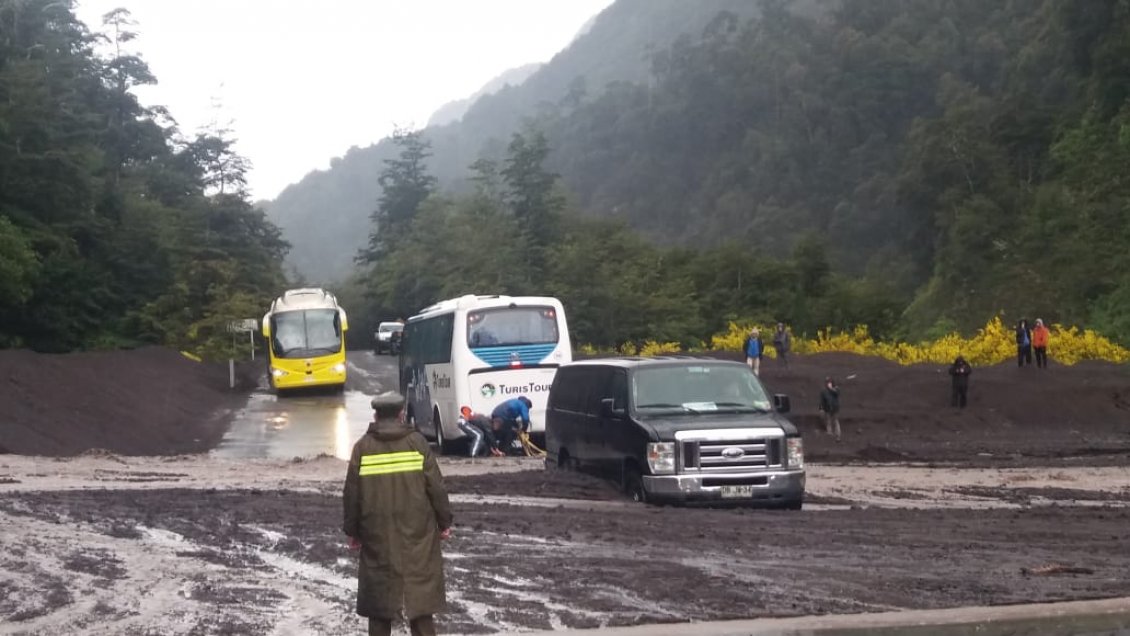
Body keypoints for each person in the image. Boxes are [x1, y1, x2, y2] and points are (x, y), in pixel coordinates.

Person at [342, 392, 453, 636]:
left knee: (380, 606)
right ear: (401, 414)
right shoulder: (418, 443)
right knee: (420, 602)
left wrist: (353, 531)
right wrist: (444, 522)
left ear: (376, 415)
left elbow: (352, 493)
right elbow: (435, 486)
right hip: (418, 535)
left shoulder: (363, 447)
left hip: (377, 535)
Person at [818, 377, 842, 441]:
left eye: (830, 382)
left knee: (835, 421)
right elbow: (822, 400)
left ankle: (838, 434)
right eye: (827, 382)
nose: (828, 384)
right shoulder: (824, 391)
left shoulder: (836, 389)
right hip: (828, 408)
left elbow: (837, 393)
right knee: (828, 420)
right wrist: (821, 408)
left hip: (835, 408)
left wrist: (831, 389)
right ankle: (829, 432)